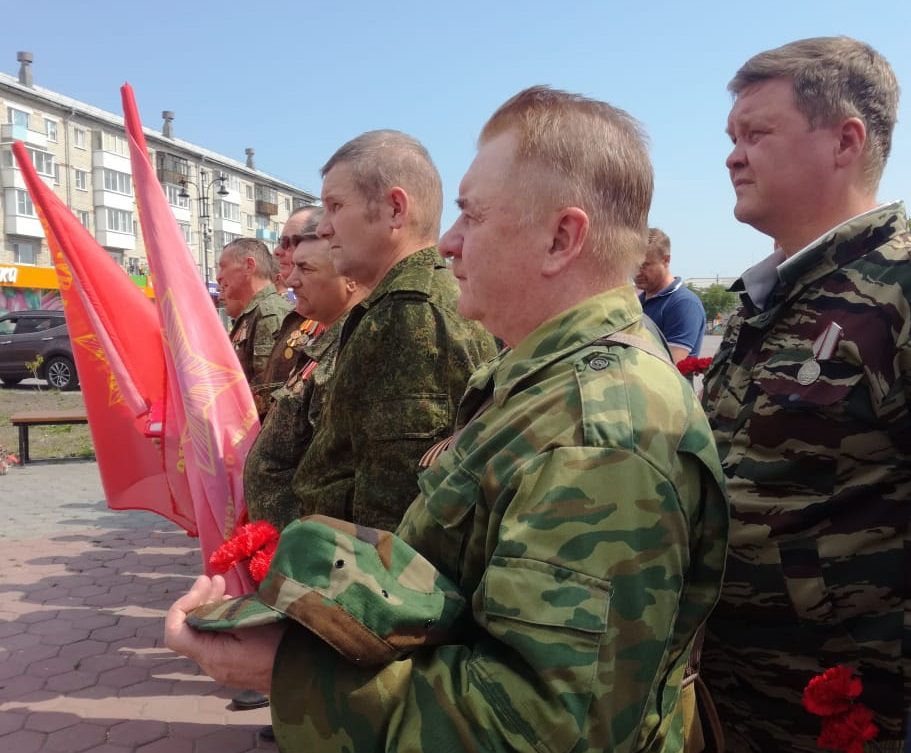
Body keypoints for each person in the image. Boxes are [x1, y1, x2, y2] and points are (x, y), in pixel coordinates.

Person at [166, 85, 728, 753]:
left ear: (561, 238)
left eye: (472, 216)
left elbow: (539, 727)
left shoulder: (595, 436)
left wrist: (290, 673)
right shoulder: (545, 382)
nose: (450, 242)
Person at [700, 36, 908, 752]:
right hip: (735, 700)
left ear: (845, 141)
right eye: (731, 138)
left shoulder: (899, 288)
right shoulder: (765, 299)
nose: (733, 157)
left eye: (756, 134)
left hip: (854, 718)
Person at [290, 129, 497, 531]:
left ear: (395, 210)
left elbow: (394, 508)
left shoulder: (411, 314)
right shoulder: (399, 305)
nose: (325, 228)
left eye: (335, 206)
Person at [243, 206, 369, 531]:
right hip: (288, 533)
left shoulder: (355, 344)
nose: (291, 280)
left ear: (350, 278)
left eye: (306, 268)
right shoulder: (321, 334)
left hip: (314, 537)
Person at [256, 206, 324, 418]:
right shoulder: (298, 316)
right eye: (280, 242)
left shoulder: (337, 320)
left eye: (288, 243)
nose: (277, 251)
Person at [216, 238, 291, 418]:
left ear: (249, 266)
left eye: (223, 266)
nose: (219, 276)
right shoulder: (252, 313)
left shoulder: (269, 313)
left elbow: (269, 389)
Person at [634, 227, 705, 362]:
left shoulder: (684, 304)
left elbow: (671, 363)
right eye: (633, 265)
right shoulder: (636, 302)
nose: (636, 272)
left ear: (666, 260)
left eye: (644, 265)